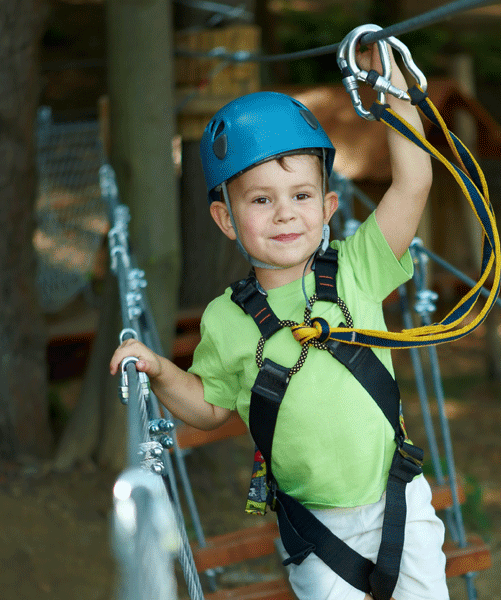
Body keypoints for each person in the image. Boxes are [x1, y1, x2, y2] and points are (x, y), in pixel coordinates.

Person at [110, 44, 445, 600]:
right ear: (225, 219)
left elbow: (413, 186)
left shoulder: (358, 267)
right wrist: (163, 373)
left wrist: (397, 103)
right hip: (315, 528)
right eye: (261, 200)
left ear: (329, 208)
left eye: (301, 195)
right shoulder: (226, 318)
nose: (285, 212)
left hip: (399, 500)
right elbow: (211, 407)